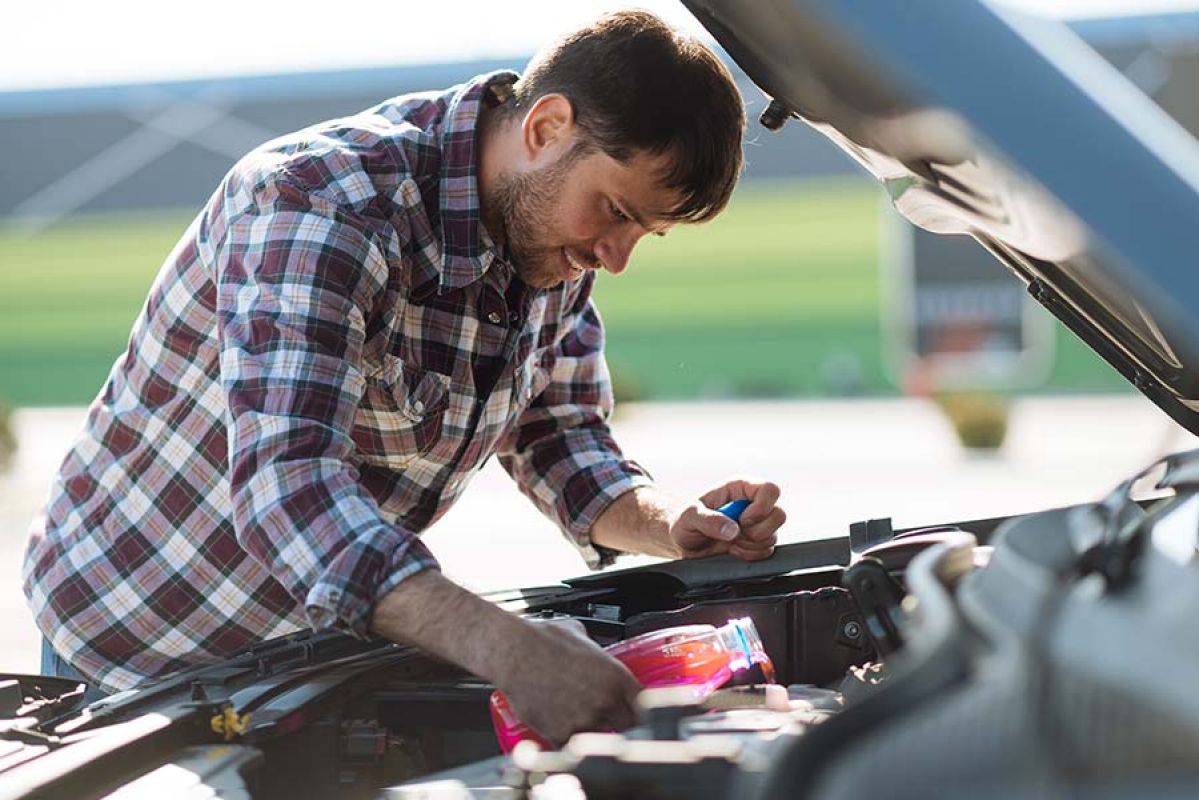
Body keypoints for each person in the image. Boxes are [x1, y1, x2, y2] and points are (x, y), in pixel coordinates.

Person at [23, 10, 785, 743]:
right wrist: (510, 649)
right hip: (134, 660)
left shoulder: (552, 238)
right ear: (546, 127)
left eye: (641, 234)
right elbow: (290, 487)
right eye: (614, 212)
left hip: (306, 656)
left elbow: (560, 439)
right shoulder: (320, 203)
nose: (615, 257)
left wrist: (673, 524)